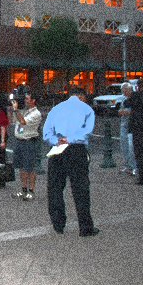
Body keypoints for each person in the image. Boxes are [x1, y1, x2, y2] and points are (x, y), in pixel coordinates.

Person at [43, 87, 99, 237]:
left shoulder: (56, 109)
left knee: (55, 187)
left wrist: (57, 140)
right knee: (81, 189)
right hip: (76, 149)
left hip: (58, 149)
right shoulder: (87, 109)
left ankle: (58, 223)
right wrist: (71, 138)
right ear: (82, 96)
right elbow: (87, 131)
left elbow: (47, 132)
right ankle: (85, 227)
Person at [10, 91, 42, 200]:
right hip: (20, 140)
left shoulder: (36, 113)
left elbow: (23, 122)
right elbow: (12, 120)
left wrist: (16, 110)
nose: (25, 100)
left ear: (33, 101)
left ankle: (31, 191)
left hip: (29, 141)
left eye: (28, 99)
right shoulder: (24, 111)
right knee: (21, 167)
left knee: (30, 167)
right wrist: (11, 108)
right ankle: (23, 189)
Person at [124, 78, 143, 185]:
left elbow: (126, 103)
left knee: (139, 153)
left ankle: (142, 177)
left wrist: (134, 94)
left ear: (138, 87)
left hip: (138, 128)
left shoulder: (136, 95)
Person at [117, 83, 136, 175]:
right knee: (124, 146)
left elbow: (136, 110)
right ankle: (128, 165)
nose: (124, 93)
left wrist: (127, 112)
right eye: (123, 91)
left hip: (132, 125)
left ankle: (134, 166)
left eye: (126, 91)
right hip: (124, 124)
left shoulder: (134, 98)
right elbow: (119, 109)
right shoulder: (122, 98)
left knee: (131, 146)